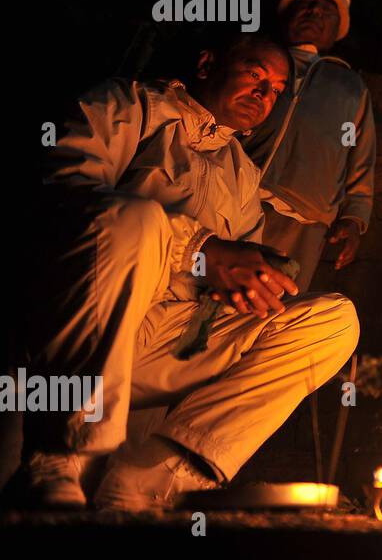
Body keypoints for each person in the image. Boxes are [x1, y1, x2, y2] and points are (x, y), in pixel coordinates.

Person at [25, 33, 360, 510]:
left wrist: (252, 287)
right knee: (133, 219)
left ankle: (156, 475)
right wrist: (199, 250)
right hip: (80, 332)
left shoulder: (242, 175)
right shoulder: (128, 106)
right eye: (255, 75)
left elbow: (227, 280)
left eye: (276, 91)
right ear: (207, 63)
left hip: (169, 342)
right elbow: (60, 198)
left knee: (332, 321)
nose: (264, 96)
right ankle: (61, 452)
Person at [243, 0, 376, 292]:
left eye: (327, 9)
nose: (314, 11)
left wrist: (354, 218)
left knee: (273, 309)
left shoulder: (349, 88)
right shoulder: (251, 61)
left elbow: (359, 158)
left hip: (303, 222)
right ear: (286, 13)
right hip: (233, 196)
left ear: (337, 31)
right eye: (307, 2)